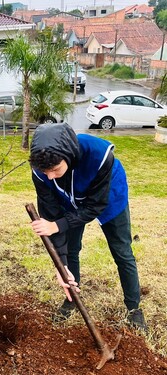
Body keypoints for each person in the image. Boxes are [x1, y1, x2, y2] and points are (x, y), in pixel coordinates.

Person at [29, 122, 147, 330]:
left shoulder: (100, 156)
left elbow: (95, 206)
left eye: (55, 169)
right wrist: (62, 264)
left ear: (68, 154)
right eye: (45, 171)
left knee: (121, 251)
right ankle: (72, 298)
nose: (50, 176)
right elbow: (50, 217)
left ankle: (133, 308)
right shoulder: (41, 172)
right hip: (67, 199)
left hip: (108, 197)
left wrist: (60, 224)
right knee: (71, 249)